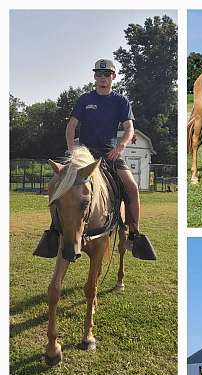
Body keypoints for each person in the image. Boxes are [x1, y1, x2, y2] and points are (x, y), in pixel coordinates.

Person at [34, 58, 156, 260]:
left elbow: (129, 129)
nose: (102, 78)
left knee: (132, 187)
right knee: (54, 183)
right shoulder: (84, 99)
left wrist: (121, 146)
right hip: (83, 154)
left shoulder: (121, 101)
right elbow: (71, 126)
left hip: (109, 153)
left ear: (113, 77)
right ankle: (55, 231)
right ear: (94, 77)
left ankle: (134, 233)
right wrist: (72, 148)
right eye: (99, 75)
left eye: (106, 75)